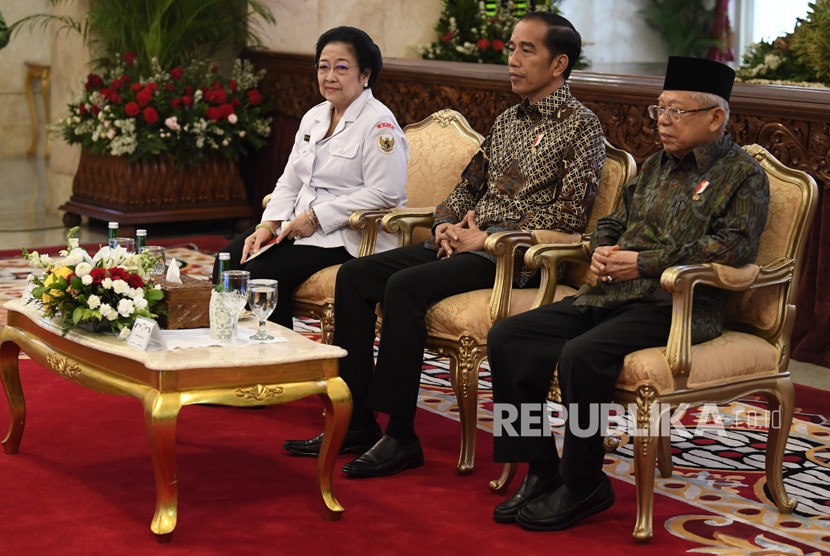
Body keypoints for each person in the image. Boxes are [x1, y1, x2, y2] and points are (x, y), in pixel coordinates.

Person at [283, 12, 606, 478]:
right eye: (511, 49)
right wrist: (445, 223)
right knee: (356, 276)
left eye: (525, 51)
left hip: (515, 258)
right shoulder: (508, 120)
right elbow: (465, 188)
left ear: (559, 64)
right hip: (465, 243)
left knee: (405, 288)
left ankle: (401, 435)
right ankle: (356, 422)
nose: (512, 60)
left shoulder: (582, 128)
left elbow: (570, 218)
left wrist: (489, 236)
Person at [487, 56, 770, 530]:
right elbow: (615, 220)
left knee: (581, 355)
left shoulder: (742, 175)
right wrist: (601, 249)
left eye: (676, 112)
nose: (662, 121)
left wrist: (643, 262)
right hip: (613, 292)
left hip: (678, 306)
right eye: (658, 110)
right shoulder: (656, 165)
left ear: (715, 118)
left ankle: (583, 483)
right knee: (510, 337)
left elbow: (732, 246)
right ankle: (540, 469)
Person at [212, 26, 409, 328]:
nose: (330, 76)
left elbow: (385, 193)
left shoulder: (379, 123)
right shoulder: (314, 116)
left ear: (365, 73)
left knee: (262, 275)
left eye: (341, 68)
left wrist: (316, 217)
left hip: (348, 236)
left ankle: (281, 362)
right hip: (298, 227)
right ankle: (238, 355)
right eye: (323, 67)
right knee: (226, 261)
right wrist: (268, 224)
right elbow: (290, 180)